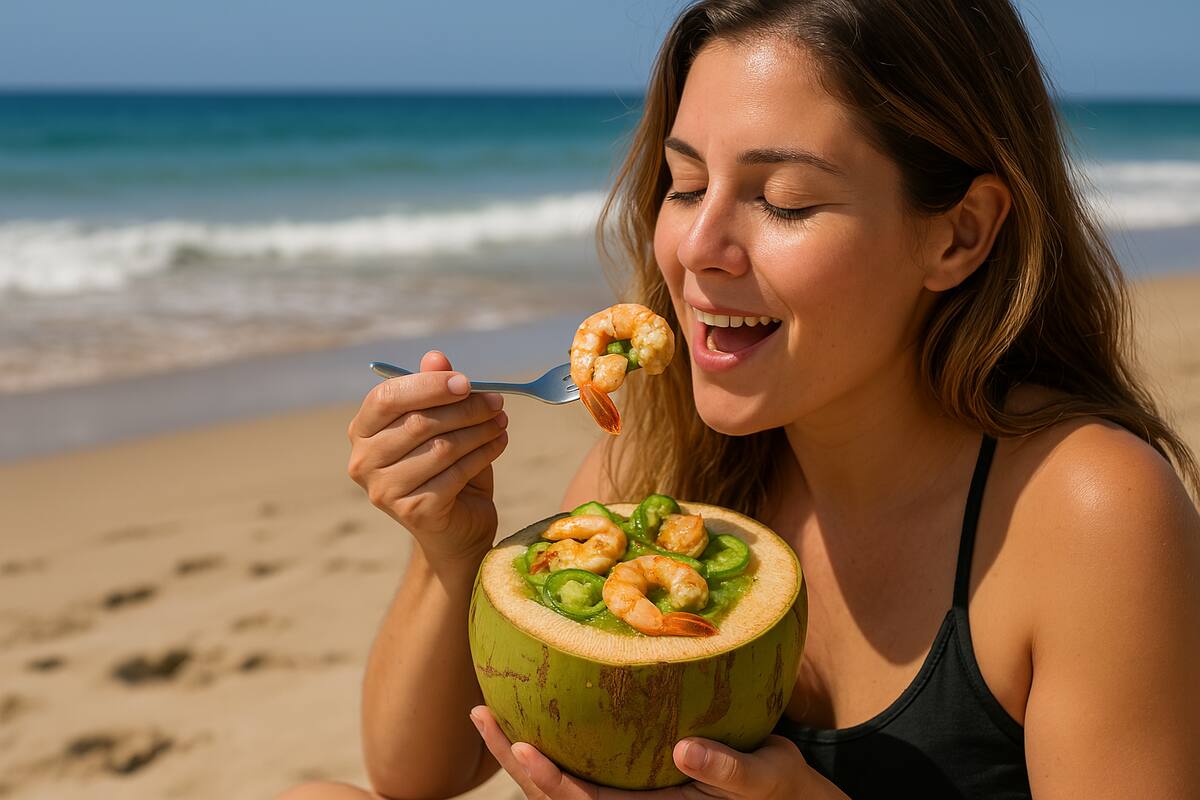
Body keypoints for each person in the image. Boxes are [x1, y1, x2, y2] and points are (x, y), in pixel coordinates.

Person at [281, 0, 1200, 798]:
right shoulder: (654, 465)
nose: (697, 246)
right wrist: (451, 549)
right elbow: (417, 774)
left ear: (958, 236)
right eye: (685, 185)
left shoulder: (1088, 511)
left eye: (787, 201)